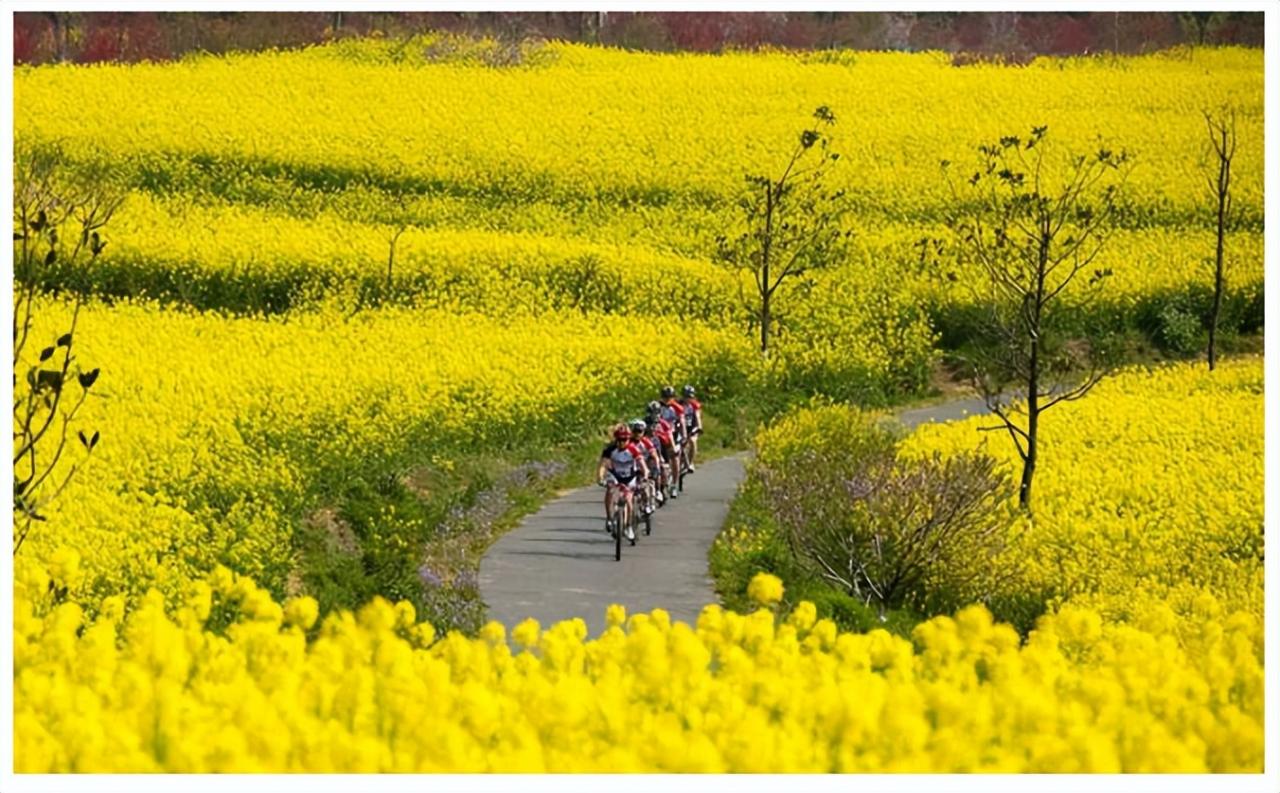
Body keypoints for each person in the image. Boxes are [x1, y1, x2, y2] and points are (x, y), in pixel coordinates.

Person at [596, 424, 649, 540]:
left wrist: (645, 474)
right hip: (615, 475)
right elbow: (603, 465)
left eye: (625, 440)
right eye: (619, 440)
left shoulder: (633, 449)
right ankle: (609, 518)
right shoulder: (610, 449)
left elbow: (642, 464)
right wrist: (600, 478)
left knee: (629, 500)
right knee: (610, 491)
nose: (622, 442)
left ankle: (628, 526)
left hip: (629, 477)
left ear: (629, 439)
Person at [629, 418, 660, 514]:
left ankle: (648, 503)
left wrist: (656, 468)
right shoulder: (627, 442)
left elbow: (655, 456)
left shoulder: (646, 442)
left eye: (640, 432)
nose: (637, 434)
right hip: (630, 468)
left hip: (644, 468)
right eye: (635, 431)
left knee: (647, 485)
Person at [680, 385, 703, 472]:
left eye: (690, 397)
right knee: (681, 444)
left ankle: (690, 462)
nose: (688, 399)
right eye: (686, 397)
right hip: (681, 427)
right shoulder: (678, 404)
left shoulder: (694, 405)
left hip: (692, 426)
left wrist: (699, 427)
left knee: (693, 441)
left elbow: (697, 416)